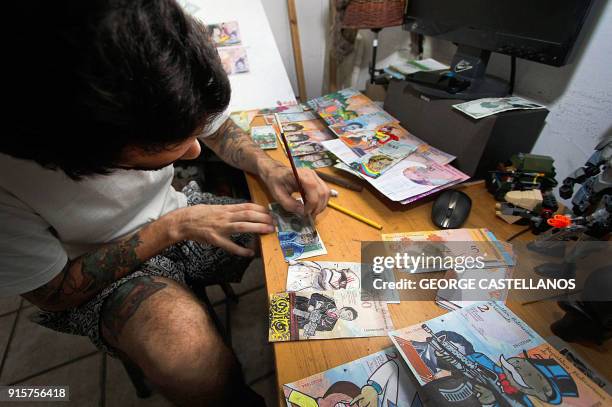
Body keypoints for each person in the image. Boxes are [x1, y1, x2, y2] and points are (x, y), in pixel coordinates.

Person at [3, 1, 330, 406]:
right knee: (189, 361)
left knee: (305, 232)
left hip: (180, 209)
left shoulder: (135, 58)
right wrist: (172, 228)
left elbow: (212, 127)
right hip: (89, 267)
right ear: (88, 157)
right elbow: (54, 292)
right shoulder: (10, 177)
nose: (195, 152)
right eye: (165, 146)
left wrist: (268, 166)